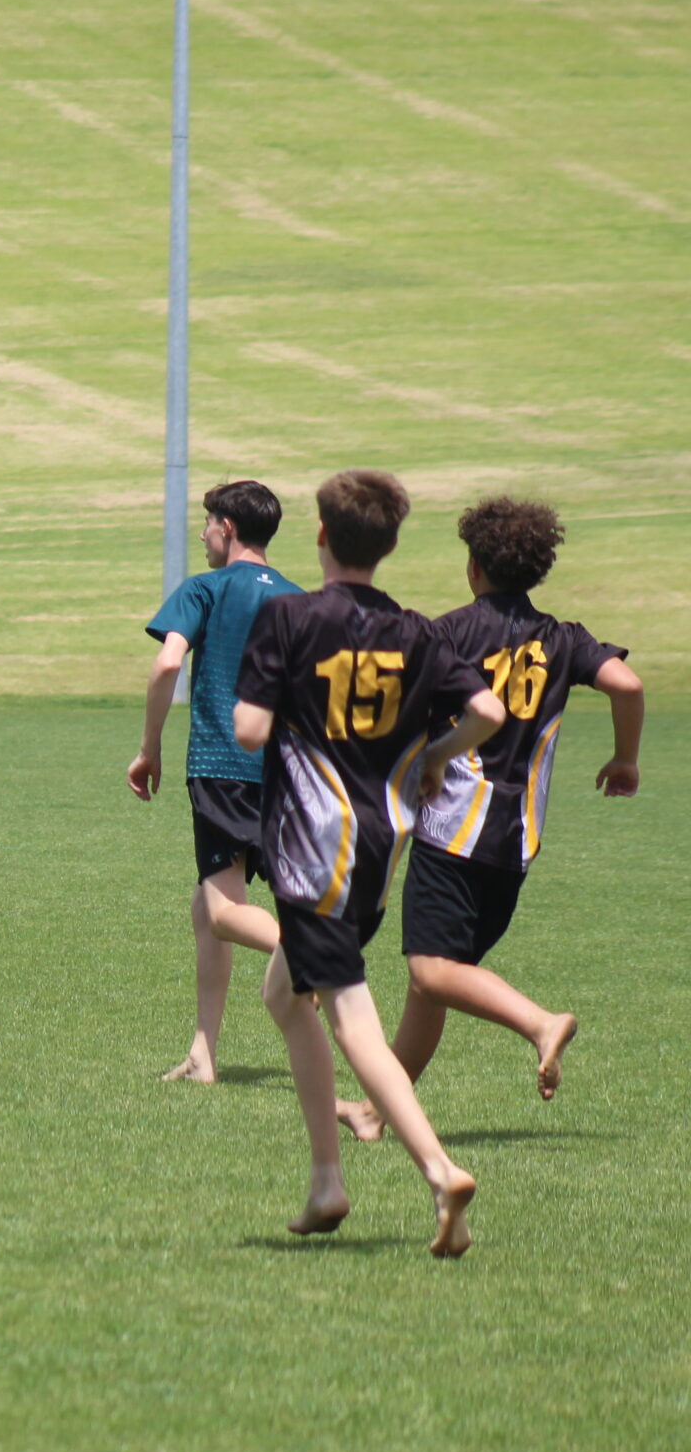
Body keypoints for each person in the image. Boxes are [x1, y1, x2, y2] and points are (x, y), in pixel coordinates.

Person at [224, 470, 505, 1256]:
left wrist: (272, 702)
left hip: (312, 849)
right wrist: (436, 755)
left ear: (321, 535)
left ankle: (439, 1168)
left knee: (350, 1018)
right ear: (389, 545)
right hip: (380, 849)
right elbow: (488, 710)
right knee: (284, 992)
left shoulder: (290, 618)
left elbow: (249, 729)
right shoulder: (418, 632)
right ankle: (326, 1181)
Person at [336, 499, 642, 1141]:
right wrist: (625, 759)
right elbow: (628, 685)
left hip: (452, 832)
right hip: (517, 841)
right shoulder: (564, 639)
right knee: (435, 984)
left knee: (430, 970)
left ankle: (540, 1023)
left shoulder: (446, 634)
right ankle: (376, 1110)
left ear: (474, 565)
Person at [128, 480, 302, 1083]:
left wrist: (149, 749)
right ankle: (203, 1052)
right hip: (286, 775)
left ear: (227, 528)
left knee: (224, 910)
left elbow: (167, 663)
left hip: (221, 766)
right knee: (205, 907)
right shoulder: (299, 600)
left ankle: (309, 952)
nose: (202, 534)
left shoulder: (204, 589)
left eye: (206, 523)